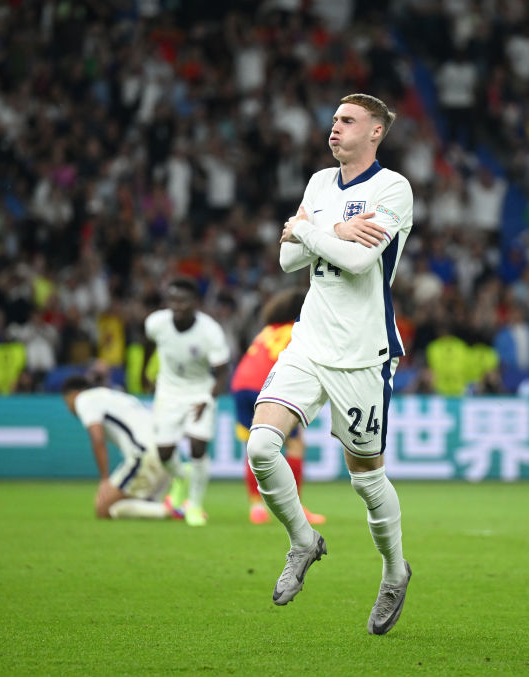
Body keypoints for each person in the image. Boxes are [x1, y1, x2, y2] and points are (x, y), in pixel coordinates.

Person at [245, 93, 412, 635]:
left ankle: (393, 569)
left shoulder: (393, 189)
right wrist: (331, 233)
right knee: (261, 446)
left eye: (347, 121)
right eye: (334, 120)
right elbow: (286, 257)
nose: (333, 128)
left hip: (363, 355)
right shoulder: (319, 183)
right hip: (308, 342)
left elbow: (361, 261)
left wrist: (316, 233)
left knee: (366, 480)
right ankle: (302, 539)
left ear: (375, 133)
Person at [230, 287, 325, 525]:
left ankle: (256, 508)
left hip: (241, 384)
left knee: (254, 446)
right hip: (267, 385)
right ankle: (296, 508)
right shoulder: (300, 329)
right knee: (295, 444)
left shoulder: (266, 331)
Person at [142, 277, 231, 527]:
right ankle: (180, 478)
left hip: (200, 391)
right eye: (173, 300)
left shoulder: (209, 330)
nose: (177, 305)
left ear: (196, 303)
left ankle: (195, 505)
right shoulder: (157, 323)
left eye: (183, 300)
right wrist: (144, 373)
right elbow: (149, 343)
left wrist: (208, 399)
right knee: (164, 453)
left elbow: (222, 371)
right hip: (168, 392)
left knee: (197, 447)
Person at [61, 376, 177, 520]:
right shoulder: (113, 397)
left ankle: (172, 510)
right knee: (134, 504)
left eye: (67, 402)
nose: (68, 408)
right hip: (167, 453)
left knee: (103, 509)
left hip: (145, 454)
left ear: (73, 394)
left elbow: (97, 438)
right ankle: (165, 508)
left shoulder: (84, 399)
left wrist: (104, 479)